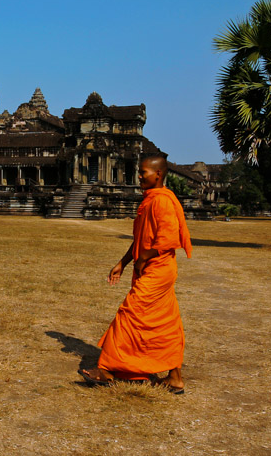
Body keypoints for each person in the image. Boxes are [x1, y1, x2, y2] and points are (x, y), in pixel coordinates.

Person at [79, 154, 192, 394]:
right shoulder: (150, 199)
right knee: (166, 322)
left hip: (158, 270)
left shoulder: (161, 201)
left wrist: (143, 258)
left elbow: (169, 239)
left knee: (129, 314)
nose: (139, 177)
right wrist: (124, 262)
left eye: (144, 173)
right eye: (140, 172)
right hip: (153, 267)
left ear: (158, 174)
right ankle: (175, 378)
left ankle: (107, 369)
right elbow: (141, 240)